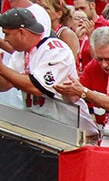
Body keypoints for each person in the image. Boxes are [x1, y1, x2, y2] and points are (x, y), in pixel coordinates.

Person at [0, 7, 95, 136]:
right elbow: (5, 85)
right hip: (42, 128)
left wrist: (2, 68)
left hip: (72, 129)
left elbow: (37, 87)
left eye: (7, 34)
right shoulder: (21, 53)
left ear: (21, 32)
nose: (5, 39)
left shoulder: (55, 50)